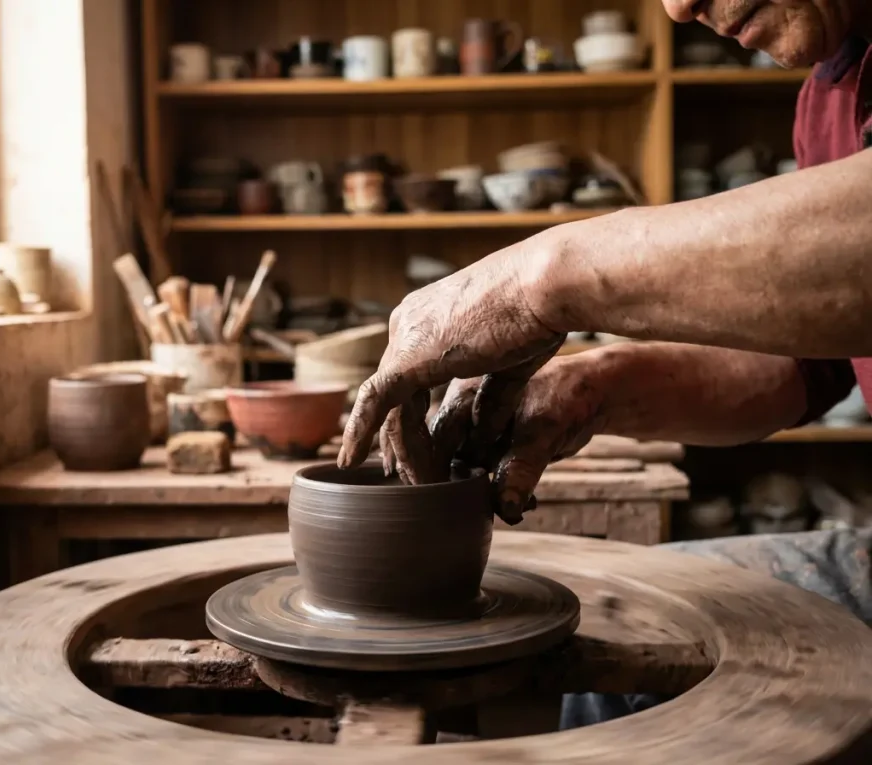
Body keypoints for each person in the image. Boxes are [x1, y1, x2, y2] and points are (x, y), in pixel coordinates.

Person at [337, 0, 872, 728]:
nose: (678, 7)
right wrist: (591, 387)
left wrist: (538, 282)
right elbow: (811, 361)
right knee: (630, 634)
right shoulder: (826, 93)